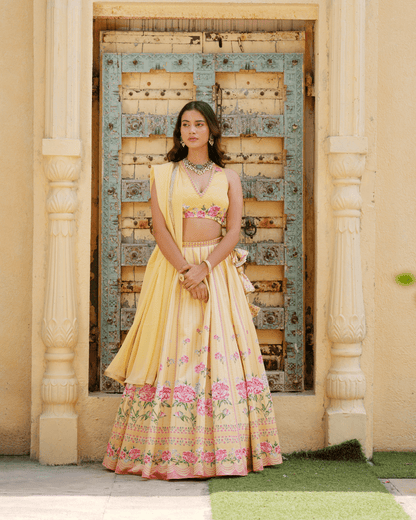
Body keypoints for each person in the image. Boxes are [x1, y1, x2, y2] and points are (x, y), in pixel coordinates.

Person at [102, 100, 283, 480]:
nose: (192, 130)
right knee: (176, 351)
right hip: (174, 272)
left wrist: (205, 269)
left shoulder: (228, 177)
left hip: (216, 273)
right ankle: (170, 452)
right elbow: (159, 229)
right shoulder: (164, 173)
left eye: (199, 124)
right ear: (179, 131)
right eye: (185, 124)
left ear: (212, 130)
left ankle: (226, 452)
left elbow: (233, 231)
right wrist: (187, 271)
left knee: (219, 354)